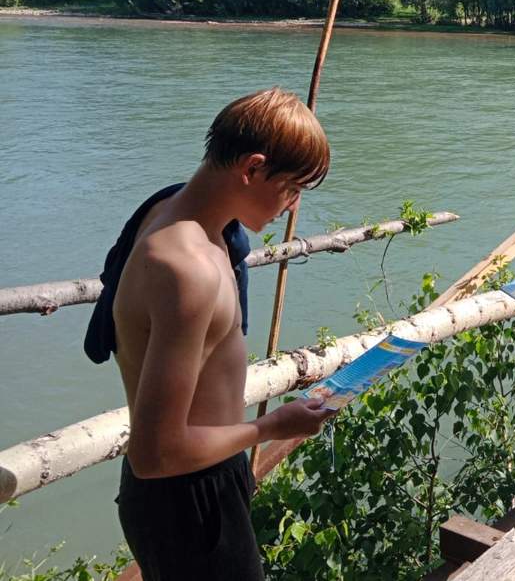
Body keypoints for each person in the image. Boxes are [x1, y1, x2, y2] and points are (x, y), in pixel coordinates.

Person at [92, 88, 336, 580]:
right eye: (291, 188)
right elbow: (154, 455)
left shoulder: (175, 209)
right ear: (251, 168)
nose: (292, 208)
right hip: (187, 496)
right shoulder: (188, 269)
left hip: (202, 479)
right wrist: (270, 428)